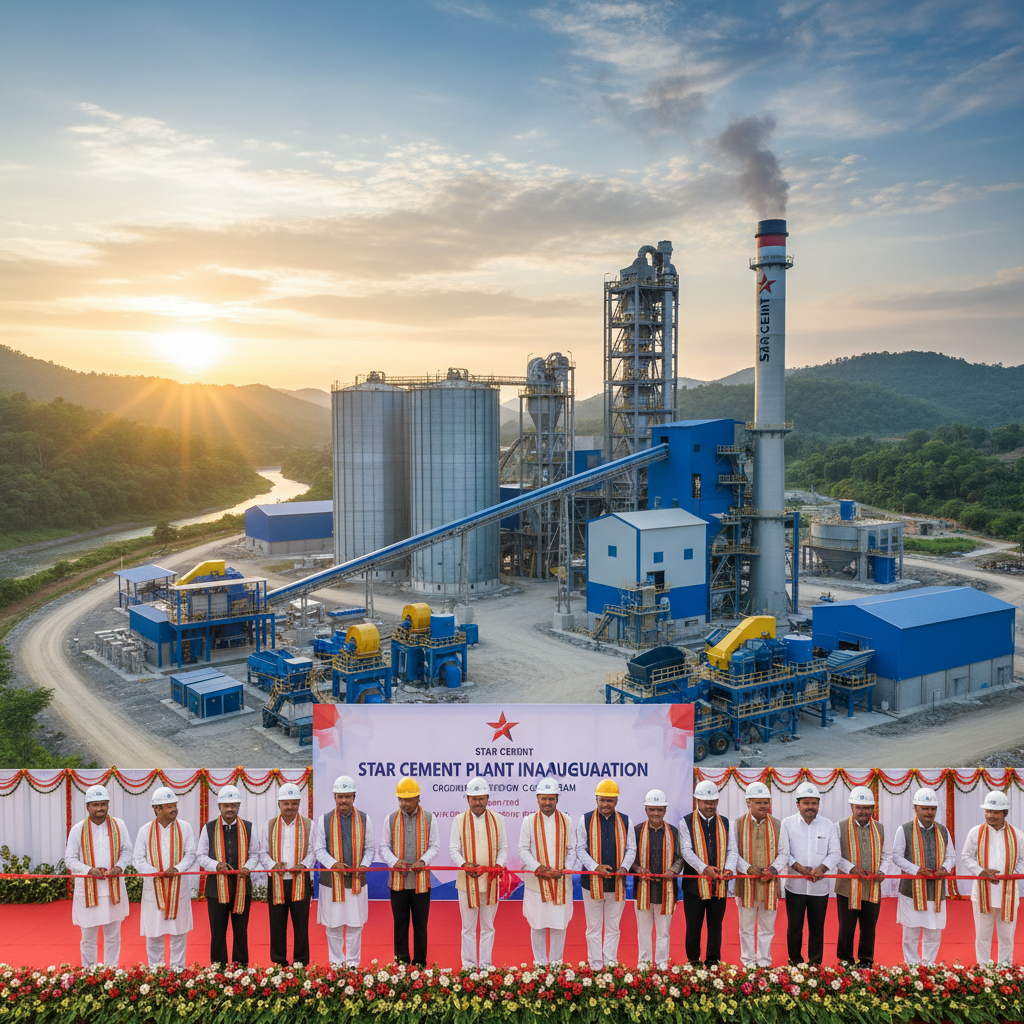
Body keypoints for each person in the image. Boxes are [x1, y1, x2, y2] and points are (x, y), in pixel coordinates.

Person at [64, 783, 132, 966]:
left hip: (113, 891)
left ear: (108, 804)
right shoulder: (78, 829)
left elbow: (127, 850)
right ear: (87, 806)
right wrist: (88, 870)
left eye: (103, 804)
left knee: (113, 935)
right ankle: (89, 973)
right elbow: (69, 859)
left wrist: (119, 866)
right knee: (88, 937)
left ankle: (111, 972)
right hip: (87, 892)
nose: (100, 808)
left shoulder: (119, 825)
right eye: (95, 804)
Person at [312, 774, 375, 967]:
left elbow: (370, 849)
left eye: (347, 796)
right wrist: (333, 864)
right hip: (332, 882)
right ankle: (336, 965)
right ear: (334, 797)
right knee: (333, 925)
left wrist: (363, 865)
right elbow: (318, 849)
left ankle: (354, 965)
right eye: (340, 796)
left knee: (356, 925)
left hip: (356, 881)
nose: (343, 800)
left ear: (354, 797)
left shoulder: (365, 819)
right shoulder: (324, 820)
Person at [725, 780, 788, 967]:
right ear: (748, 803)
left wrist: (774, 869)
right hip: (745, 884)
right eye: (758, 802)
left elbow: (784, 852)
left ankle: (764, 962)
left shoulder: (778, 824)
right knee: (746, 927)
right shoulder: (735, 824)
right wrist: (748, 869)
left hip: (770, 884)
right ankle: (747, 962)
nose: (763, 806)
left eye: (766, 802)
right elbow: (732, 852)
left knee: (767, 927)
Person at [133, 785, 197, 968]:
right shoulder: (145, 830)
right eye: (169, 806)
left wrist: (176, 869)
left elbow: (190, 854)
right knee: (154, 933)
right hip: (153, 890)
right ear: (157, 809)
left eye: (175, 805)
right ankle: (156, 971)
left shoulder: (185, 828)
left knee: (179, 933)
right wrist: (155, 873)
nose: (174, 809)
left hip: (179, 889)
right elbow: (137, 859)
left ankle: (178, 971)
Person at [379, 776, 439, 966]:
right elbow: (383, 847)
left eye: (408, 799)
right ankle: (402, 962)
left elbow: (434, 846)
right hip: (398, 882)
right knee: (400, 924)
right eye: (401, 799)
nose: (404, 803)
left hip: (421, 883)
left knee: (420, 925)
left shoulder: (430, 818)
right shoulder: (390, 818)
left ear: (418, 799)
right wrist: (395, 862)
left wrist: (424, 860)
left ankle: (420, 962)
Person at [576, 778, 636, 969]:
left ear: (616, 801)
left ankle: (610, 965)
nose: (605, 804)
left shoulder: (626, 821)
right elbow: (580, 849)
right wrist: (595, 867)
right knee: (593, 927)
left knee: (613, 927)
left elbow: (631, 850)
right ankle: (594, 965)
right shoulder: (585, 819)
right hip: (591, 882)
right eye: (602, 800)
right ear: (596, 799)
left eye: (609, 800)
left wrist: (624, 868)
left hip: (617, 883)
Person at [892, 786, 955, 965]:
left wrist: (945, 867)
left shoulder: (943, 830)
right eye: (925, 808)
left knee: (934, 930)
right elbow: (896, 856)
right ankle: (912, 965)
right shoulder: (904, 829)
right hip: (911, 890)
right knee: (910, 932)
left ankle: (929, 964)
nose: (929, 812)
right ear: (915, 808)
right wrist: (916, 870)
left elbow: (951, 856)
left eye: (932, 809)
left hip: (936, 890)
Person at [197, 784, 259, 965]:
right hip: (216, 888)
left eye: (233, 805)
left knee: (241, 931)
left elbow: (255, 854)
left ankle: (241, 968)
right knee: (218, 931)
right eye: (226, 805)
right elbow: (200, 855)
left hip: (242, 887)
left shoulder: (248, 827)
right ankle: (218, 969)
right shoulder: (208, 828)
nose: (230, 809)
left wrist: (247, 867)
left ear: (239, 805)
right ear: (219, 807)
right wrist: (216, 865)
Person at [450, 776, 508, 969]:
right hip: (466, 882)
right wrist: (465, 864)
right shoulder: (458, 820)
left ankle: (484, 964)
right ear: (467, 799)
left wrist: (497, 867)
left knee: (488, 926)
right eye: (474, 798)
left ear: (487, 798)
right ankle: (468, 966)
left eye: (481, 798)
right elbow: (453, 850)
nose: (477, 802)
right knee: (467, 927)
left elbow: (503, 849)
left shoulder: (498, 819)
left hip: (491, 882)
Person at [960, 790, 1024, 965]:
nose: (990, 815)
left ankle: (1005, 970)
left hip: (1008, 892)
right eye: (988, 811)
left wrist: (1007, 876)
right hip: (982, 892)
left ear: (1005, 813)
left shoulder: (1018, 835)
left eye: (995, 812)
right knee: (982, 935)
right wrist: (981, 872)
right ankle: (983, 969)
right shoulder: (975, 832)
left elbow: (1023, 860)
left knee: (1007, 936)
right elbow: (966, 856)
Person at [518, 778, 576, 965]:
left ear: (557, 799)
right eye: (544, 798)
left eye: (551, 799)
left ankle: (557, 964)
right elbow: (523, 850)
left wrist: (565, 868)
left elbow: (572, 849)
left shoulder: (566, 820)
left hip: (560, 882)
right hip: (537, 883)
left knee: (560, 925)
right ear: (537, 798)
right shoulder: (529, 821)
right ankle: (540, 964)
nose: (547, 802)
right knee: (537, 924)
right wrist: (536, 867)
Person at [780, 781, 839, 965]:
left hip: (819, 888)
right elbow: (783, 851)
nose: (810, 807)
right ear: (798, 804)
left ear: (818, 805)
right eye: (806, 803)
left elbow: (835, 853)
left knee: (817, 929)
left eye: (814, 803)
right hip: (794, 886)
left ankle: (814, 964)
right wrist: (797, 867)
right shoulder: (787, 824)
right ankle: (795, 961)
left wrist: (822, 868)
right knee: (794, 928)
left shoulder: (828, 825)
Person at [257, 782, 313, 966]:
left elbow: (313, 851)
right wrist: (273, 865)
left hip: (300, 881)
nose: (290, 807)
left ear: (299, 803)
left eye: (294, 803)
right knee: (277, 925)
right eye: (286, 803)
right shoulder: (270, 824)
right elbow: (262, 852)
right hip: (277, 881)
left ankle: (300, 962)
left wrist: (303, 865)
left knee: (301, 925)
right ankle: (279, 961)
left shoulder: (309, 825)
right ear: (279, 804)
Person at [833, 785, 890, 967]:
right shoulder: (840, 827)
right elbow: (835, 855)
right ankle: (845, 960)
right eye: (859, 807)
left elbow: (887, 855)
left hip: (872, 886)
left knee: (869, 927)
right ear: (852, 807)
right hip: (847, 887)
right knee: (846, 927)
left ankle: (866, 960)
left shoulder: (880, 828)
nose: (863, 811)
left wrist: (883, 871)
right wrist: (851, 869)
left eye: (867, 808)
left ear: (873, 809)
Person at [679, 779, 732, 965]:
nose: (710, 806)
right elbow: (686, 851)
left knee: (715, 926)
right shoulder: (685, 822)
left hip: (719, 884)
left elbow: (732, 850)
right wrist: (704, 869)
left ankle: (712, 962)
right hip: (694, 886)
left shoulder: (725, 822)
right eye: (706, 802)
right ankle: (693, 961)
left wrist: (729, 868)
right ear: (697, 801)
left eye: (713, 802)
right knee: (693, 926)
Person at [629, 788, 682, 969]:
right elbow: (629, 858)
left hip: (666, 891)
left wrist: (673, 871)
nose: (656, 813)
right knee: (643, 932)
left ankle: (661, 966)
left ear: (665, 811)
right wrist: (638, 868)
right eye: (652, 809)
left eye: (659, 810)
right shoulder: (636, 831)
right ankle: (643, 965)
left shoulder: (674, 832)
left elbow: (680, 857)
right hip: (643, 890)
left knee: (663, 932)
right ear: (646, 810)